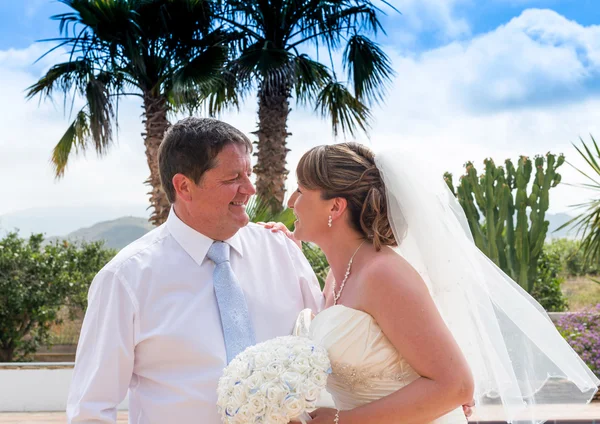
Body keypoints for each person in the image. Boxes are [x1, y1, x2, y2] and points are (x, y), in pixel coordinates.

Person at [262, 142, 599, 424]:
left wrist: (339, 421)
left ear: (335, 206)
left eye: (301, 190)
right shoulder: (341, 272)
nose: (291, 202)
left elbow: (457, 386)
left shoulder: (383, 274)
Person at [66, 117, 325, 423]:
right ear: (184, 186)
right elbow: (91, 408)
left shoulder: (282, 251)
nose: (250, 189)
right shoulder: (125, 279)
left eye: (249, 174)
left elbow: (327, 350)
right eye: (232, 179)